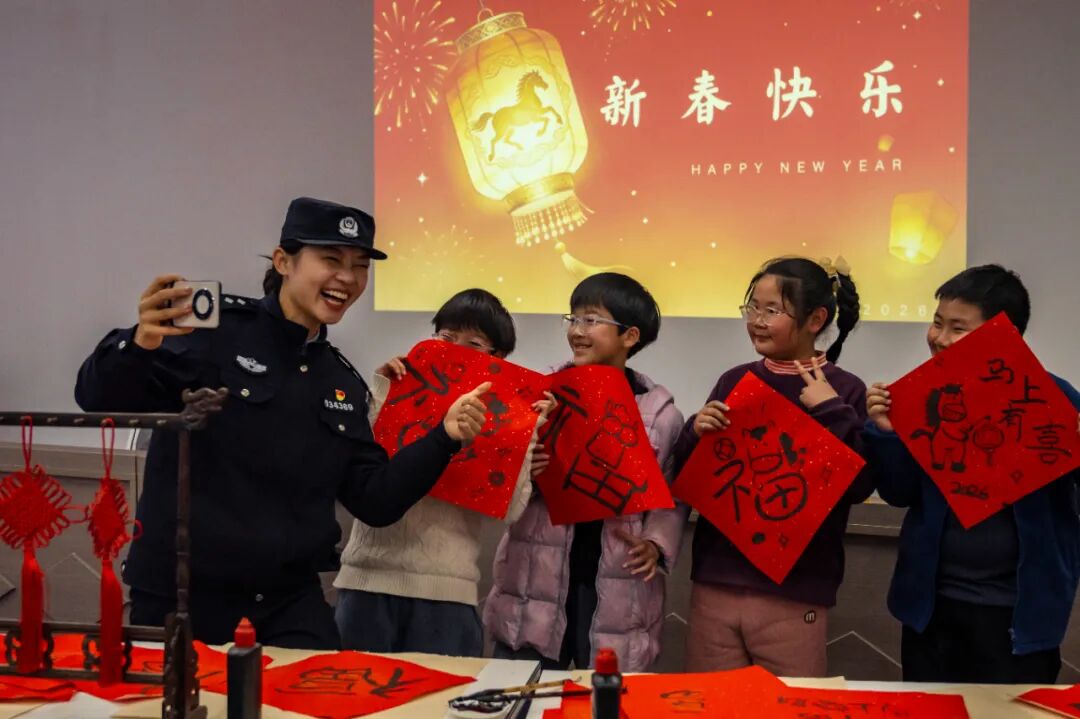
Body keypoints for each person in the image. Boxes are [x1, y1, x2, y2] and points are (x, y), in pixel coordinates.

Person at [75, 197, 489, 649]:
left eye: (360, 266)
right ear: (283, 261)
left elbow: (375, 500)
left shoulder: (341, 382)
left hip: (287, 603)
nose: (348, 278)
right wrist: (138, 343)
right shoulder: (212, 335)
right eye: (331, 259)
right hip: (185, 596)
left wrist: (444, 437)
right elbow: (99, 398)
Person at [864, 264, 1080, 683]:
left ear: (1004, 334)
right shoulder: (923, 399)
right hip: (932, 609)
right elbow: (898, 492)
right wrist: (886, 433)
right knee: (928, 709)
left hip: (1017, 618)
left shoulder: (1052, 398)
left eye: (958, 328)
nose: (940, 338)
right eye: (937, 322)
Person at [673, 256, 872, 677]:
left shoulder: (845, 390)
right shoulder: (733, 380)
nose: (757, 322)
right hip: (717, 579)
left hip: (796, 590)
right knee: (713, 702)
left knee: (789, 702)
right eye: (753, 308)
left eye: (772, 311)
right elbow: (691, 477)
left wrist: (832, 411)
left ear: (816, 319)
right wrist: (694, 430)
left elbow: (859, 486)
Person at [484, 272, 687, 672]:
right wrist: (525, 470)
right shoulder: (540, 393)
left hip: (616, 578)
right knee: (521, 687)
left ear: (630, 336)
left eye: (591, 320)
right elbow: (498, 477)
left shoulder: (659, 414)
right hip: (536, 575)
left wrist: (656, 543)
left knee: (604, 694)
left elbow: (672, 495)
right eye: (573, 319)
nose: (577, 331)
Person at [335, 288, 553, 656]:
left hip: (447, 593)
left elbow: (510, 511)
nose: (455, 351)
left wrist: (525, 430)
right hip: (365, 582)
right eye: (446, 337)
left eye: (474, 344)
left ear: (497, 359)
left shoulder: (505, 418)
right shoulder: (397, 386)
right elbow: (359, 475)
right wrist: (383, 390)